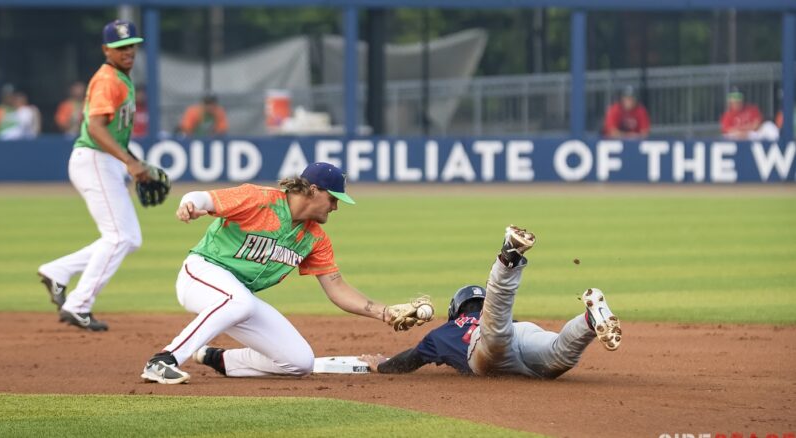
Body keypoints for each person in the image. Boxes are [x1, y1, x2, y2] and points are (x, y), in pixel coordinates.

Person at [140, 162, 433, 385]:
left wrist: (384, 312)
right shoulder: (258, 199)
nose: (336, 207)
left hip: (236, 297)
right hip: (201, 274)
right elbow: (202, 197)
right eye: (333, 199)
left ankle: (220, 359)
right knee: (238, 301)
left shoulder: (314, 238)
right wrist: (189, 205)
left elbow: (337, 288)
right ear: (313, 191)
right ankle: (163, 359)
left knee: (299, 362)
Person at [358, 225, 622, 380]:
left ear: (455, 310)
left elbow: (410, 360)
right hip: (521, 330)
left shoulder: (442, 333)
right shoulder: (491, 319)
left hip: (486, 347)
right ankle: (588, 321)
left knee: (496, 327)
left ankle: (507, 260)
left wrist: (382, 364)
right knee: (558, 354)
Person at [37, 19, 152, 332]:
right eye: (119, 47)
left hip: (105, 162)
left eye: (131, 45)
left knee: (129, 238)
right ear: (106, 50)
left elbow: (115, 131)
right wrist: (130, 162)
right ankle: (78, 305)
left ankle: (57, 271)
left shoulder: (122, 77)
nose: (128, 51)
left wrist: (130, 164)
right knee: (119, 237)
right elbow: (95, 127)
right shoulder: (107, 80)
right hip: (95, 159)